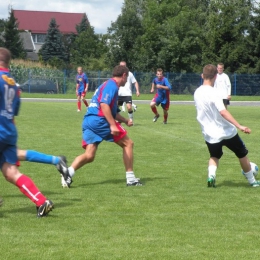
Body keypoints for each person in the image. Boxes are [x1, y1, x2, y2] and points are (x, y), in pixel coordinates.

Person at [58, 65, 142, 188]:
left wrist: (124, 120)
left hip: (89, 120)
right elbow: (104, 105)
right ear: (124, 75)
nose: (126, 81)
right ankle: (131, 179)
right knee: (128, 143)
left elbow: (113, 111)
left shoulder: (107, 85)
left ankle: (68, 172)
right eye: (127, 78)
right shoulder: (111, 85)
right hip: (100, 121)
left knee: (90, 155)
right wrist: (113, 125)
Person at [0, 47, 54, 217]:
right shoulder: (13, 84)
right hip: (9, 131)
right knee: (11, 173)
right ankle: (41, 201)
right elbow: (13, 114)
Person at [194, 64, 260, 188]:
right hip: (226, 131)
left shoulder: (197, 92)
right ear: (215, 76)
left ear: (202, 76)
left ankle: (211, 176)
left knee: (214, 156)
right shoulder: (215, 93)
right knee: (242, 154)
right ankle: (252, 181)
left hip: (209, 134)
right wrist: (239, 126)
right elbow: (223, 111)